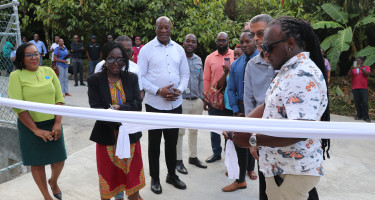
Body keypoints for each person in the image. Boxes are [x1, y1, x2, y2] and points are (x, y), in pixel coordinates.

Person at [233, 16, 330, 200]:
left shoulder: (302, 75)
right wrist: (242, 127)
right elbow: (268, 104)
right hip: (281, 166)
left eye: (268, 47)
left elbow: (299, 130)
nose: (264, 52)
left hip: (291, 170)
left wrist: (253, 139)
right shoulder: (288, 70)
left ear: (290, 43)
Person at [138, 16, 189, 194]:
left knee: (172, 142)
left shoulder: (179, 49)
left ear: (171, 28)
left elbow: (185, 76)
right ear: (155, 28)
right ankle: (155, 178)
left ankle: (171, 175)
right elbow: (141, 77)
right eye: (160, 27)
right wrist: (159, 91)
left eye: (166, 27)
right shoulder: (146, 50)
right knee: (154, 144)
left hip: (175, 105)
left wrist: (179, 90)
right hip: (154, 105)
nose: (163, 30)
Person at [8, 43, 66, 200]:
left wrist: (57, 122)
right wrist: (35, 130)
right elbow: (18, 106)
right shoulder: (16, 75)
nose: (34, 57)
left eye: (36, 54)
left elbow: (59, 99)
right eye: (29, 55)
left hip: (53, 123)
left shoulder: (48, 71)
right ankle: (47, 196)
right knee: (37, 163)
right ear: (21, 58)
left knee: (59, 160)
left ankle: (53, 182)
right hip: (30, 126)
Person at [87, 42, 145, 200]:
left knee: (133, 178)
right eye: (111, 59)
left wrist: (119, 109)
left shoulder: (131, 78)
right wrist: (118, 122)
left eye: (120, 59)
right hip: (106, 136)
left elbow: (137, 105)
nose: (115, 63)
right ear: (104, 59)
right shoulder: (94, 80)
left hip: (130, 136)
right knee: (108, 178)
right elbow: (96, 108)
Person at [243, 14, 276, 200]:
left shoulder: (286, 64)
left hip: (286, 137)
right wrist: (252, 138)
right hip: (261, 136)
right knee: (265, 187)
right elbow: (249, 104)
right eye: (253, 33)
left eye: (260, 33)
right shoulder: (251, 66)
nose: (255, 38)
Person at [223, 31, 259, 192]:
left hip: (259, 111)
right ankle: (240, 179)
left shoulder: (263, 61)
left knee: (257, 142)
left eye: (248, 41)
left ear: (255, 41)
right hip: (240, 110)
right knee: (240, 144)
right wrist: (237, 110)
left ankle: (254, 170)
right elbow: (230, 89)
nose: (244, 45)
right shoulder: (236, 64)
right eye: (241, 42)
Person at [176, 34, 207, 175]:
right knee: (179, 132)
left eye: (193, 41)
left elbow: (201, 80)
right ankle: (178, 160)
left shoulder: (199, 60)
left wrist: (201, 97)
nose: (190, 43)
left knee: (194, 131)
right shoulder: (177, 58)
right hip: (182, 100)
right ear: (183, 43)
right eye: (187, 41)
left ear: (196, 44)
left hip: (196, 101)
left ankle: (193, 157)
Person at [203, 32, 234, 163]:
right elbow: (206, 79)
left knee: (229, 128)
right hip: (215, 98)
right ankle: (216, 153)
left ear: (228, 41)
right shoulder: (210, 58)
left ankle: (229, 154)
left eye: (224, 40)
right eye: (219, 40)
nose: (221, 43)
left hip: (230, 98)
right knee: (214, 128)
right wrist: (206, 98)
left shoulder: (235, 54)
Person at [348, 56, 371, 122]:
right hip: (355, 88)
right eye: (356, 61)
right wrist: (351, 69)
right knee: (357, 102)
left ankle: (366, 117)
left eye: (358, 61)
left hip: (363, 88)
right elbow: (348, 75)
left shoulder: (366, 67)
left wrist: (361, 68)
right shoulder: (354, 69)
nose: (357, 62)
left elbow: (367, 74)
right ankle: (359, 115)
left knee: (364, 102)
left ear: (362, 61)